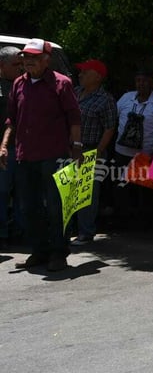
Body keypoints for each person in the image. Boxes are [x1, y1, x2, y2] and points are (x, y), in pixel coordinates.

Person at [0, 38, 82, 272]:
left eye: (34, 57)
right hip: (25, 156)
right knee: (28, 207)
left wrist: (76, 147)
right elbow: (11, 120)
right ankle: (39, 251)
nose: (28, 61)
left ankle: (58, 253)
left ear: (46, 59)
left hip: (53, 155)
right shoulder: (18, 84)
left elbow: (74, 117)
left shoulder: (61, 83)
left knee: (56, 206)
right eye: (26, 57)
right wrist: (4, 145)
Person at [71, 59, 118, 245]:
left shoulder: (105, 99)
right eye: (80, 71)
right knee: (69, 191)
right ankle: (70, 229)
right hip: (69, 149)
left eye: (85, 71)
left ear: (97, 77)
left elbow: (109, 128)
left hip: (90, 150)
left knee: (87, 194)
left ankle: (85, 232)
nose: (80, 74)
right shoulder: (74, 93)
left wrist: (98, 151)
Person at [113, 69, 153, 218]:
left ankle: (145, 223)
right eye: (138, 80)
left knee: (145, 192)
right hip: (122, 152)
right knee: (121, 188)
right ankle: (123, 220)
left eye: (144, 81)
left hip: (145, 154)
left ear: (151, 83)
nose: (141, 84)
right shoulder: (126, 97)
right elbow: (114, 117)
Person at [0, 46, 24, 249]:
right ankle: (3, 234)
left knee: (23, 192)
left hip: (25, 147)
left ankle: (20, 231)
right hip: (4, 149)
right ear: (2, 66)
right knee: (2, 191)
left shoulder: (24, 84)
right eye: (16, 64)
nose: (21, 68)